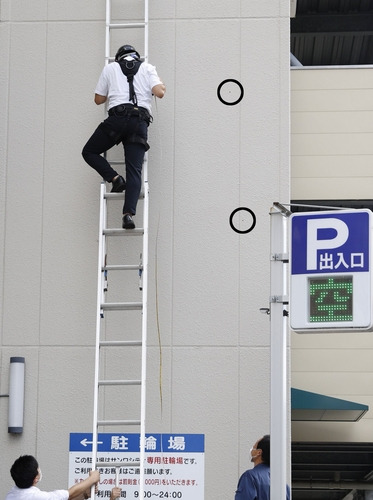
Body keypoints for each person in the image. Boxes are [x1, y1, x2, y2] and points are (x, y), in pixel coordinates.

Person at [82, 44, 166, 230]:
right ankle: (128, 215)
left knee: (89, 151)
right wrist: (159, 82)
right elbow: (159, 92)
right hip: (139, 121)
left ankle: (114, 178)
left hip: (117, 119)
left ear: (119, 57)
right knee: (134, 170)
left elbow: (98, 99)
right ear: (136, 57)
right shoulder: (147, 68)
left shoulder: (110, 68)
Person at [6, 455, 100, 500]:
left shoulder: (11, 494)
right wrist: (92, 478)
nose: (39, 470)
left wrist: (84, 495)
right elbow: (69, 494)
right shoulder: (36, 496)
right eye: (38, 469)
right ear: (35, 479)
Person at [234, 435, 290, 500]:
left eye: (254, 447)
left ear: (259, 452)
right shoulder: (282, 482)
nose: (251, 450)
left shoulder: (250, 477)